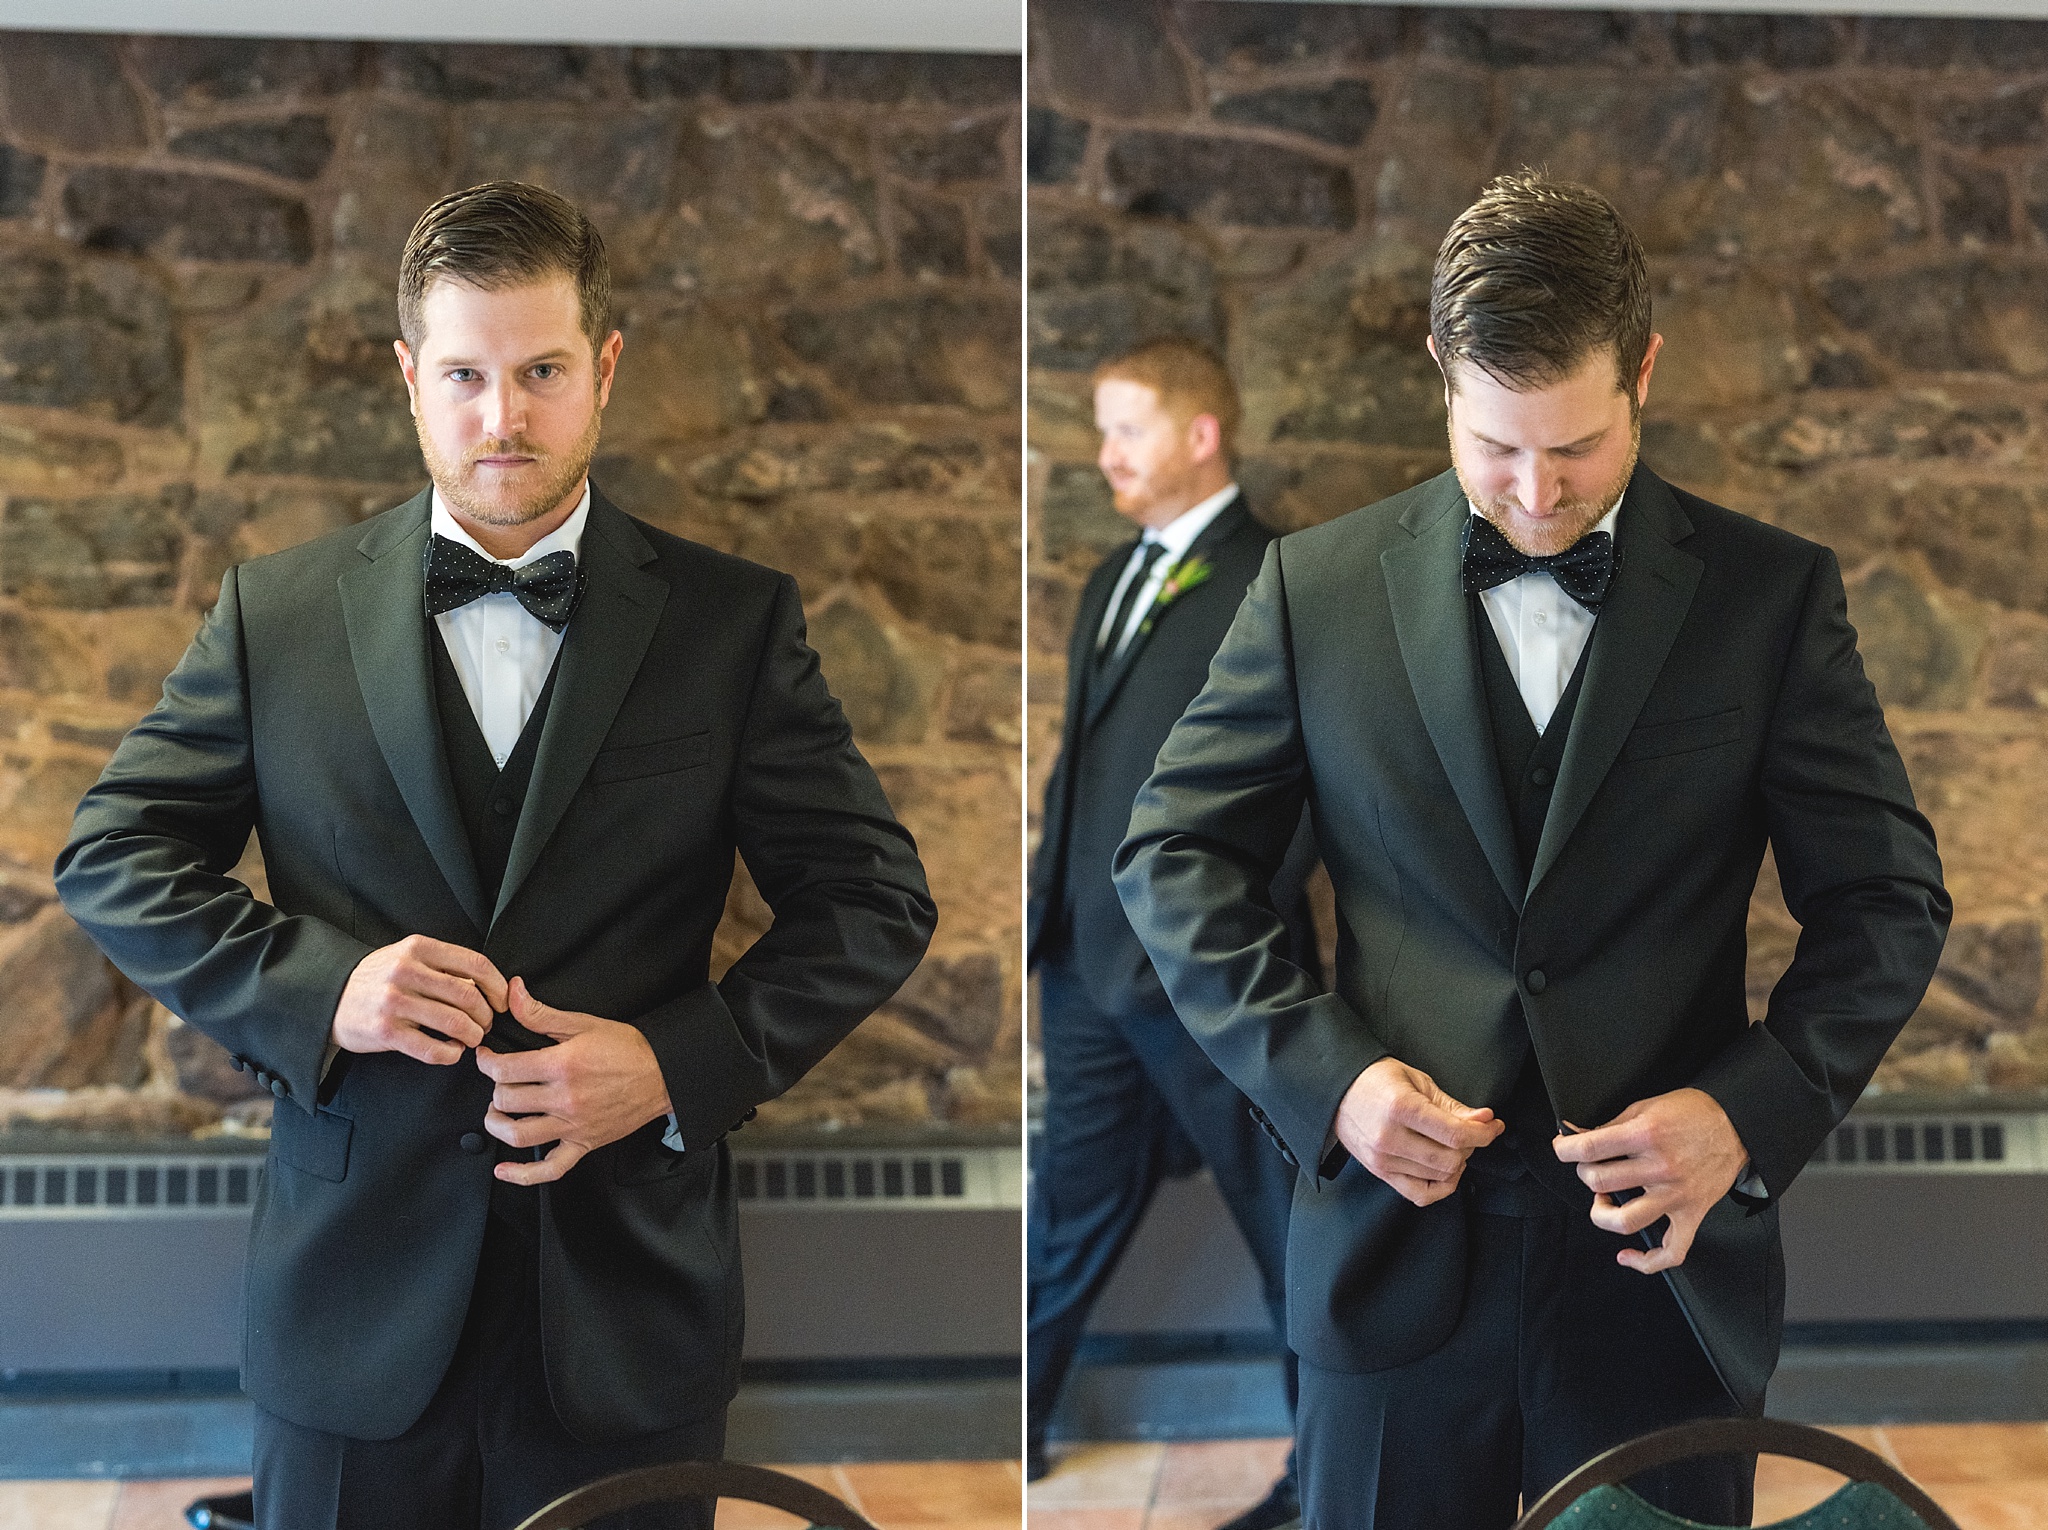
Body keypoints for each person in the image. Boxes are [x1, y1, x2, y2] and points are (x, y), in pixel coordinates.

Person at [54, 181, 936, 1530]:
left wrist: (669, 1064)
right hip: (348, 1310)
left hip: (626, 1310)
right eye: (464, 374)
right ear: (410, 379)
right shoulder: (275, 616)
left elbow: (874, 899)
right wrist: (323, 989)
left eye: (540, 371)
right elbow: (114, 853)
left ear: (606, 371)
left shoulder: (732, 624)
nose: (503, 416)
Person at [1111, 174, 1951, 1529]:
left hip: (1658, 1270)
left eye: (1579, 445)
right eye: (1497, 444)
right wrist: (1332, 1082)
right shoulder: (1312, 592)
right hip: (1392, 1251)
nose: (1538, 490)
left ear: (1646, 369)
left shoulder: (1769, 599)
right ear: (1439, 368)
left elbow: (1890, 901)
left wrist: (1745, 1110)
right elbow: (1172, 856)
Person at [1028, 338, 1314, 1530]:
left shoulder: (1281, 577)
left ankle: (1322, 1476)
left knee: (1293, 1231)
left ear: (1200, 434)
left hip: (1212, 984)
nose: (1103, 457)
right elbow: (1087, 762)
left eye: (1125, 430)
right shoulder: (1111, 579)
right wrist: (1048, 922)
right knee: (1063, 1215)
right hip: (1087, 980)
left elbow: (1308, 789)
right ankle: (1019, 1422)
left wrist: (1229, 940)